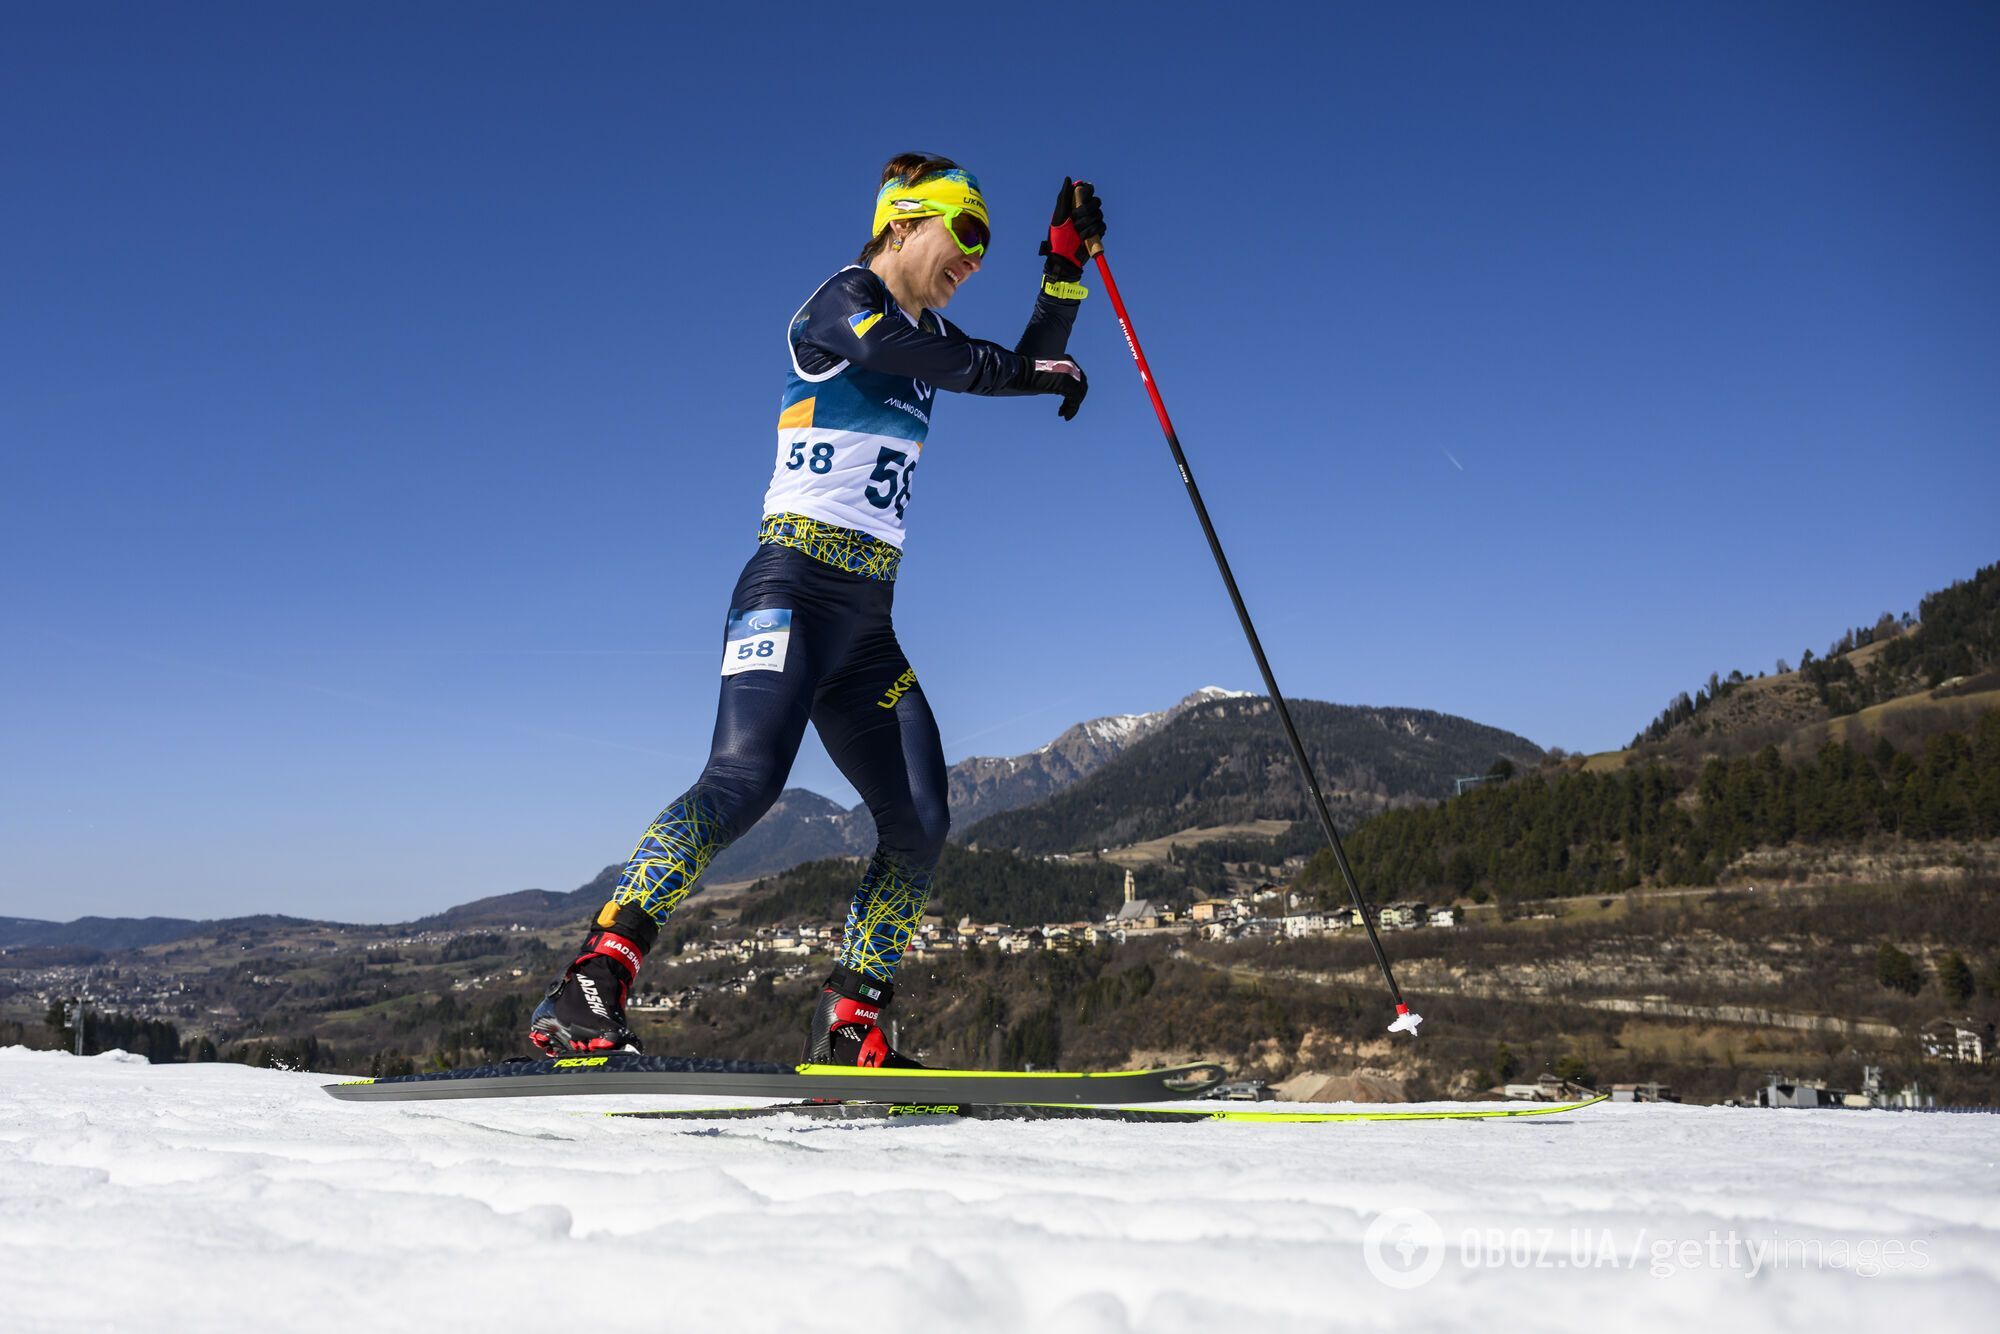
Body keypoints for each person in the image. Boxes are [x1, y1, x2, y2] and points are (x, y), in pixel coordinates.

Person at [528, 153, 1106, 1067]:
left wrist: (1065, 264)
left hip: (867, 623)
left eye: (987, 251)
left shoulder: (930, 336)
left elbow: (1017, 358)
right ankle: (589, 981)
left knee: (920, 817)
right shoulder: (840, 305)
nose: (973, 262)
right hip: (790, 589)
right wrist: (1034, 373)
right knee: (744, 780)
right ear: (905, 220)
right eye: (965, 237)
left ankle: (851, 1020)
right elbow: (939, 359)